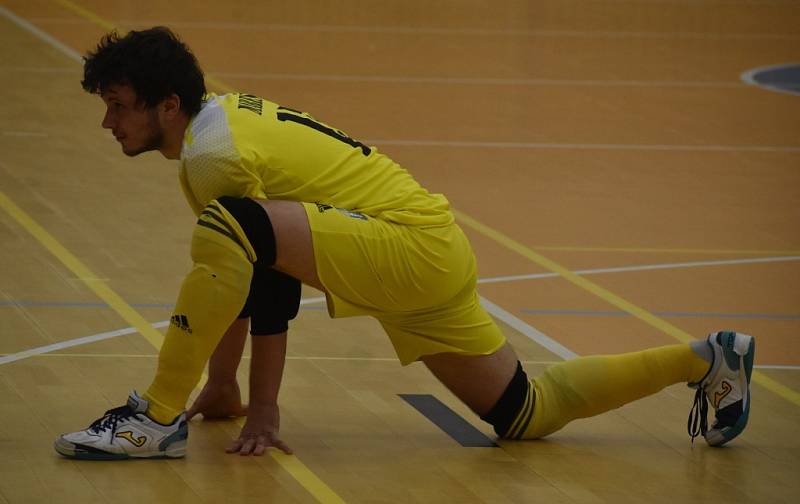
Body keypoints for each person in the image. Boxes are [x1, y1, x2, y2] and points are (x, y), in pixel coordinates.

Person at [54, 27, 755, 460]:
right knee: (524, 413)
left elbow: (265, 281)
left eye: (118, 105)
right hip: (424, 248)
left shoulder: (213, 160)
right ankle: (702, 358)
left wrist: (262, 407)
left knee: (231, 231)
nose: (108, 122)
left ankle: (155, 416)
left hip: (404, 247)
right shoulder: (219, 122)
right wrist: (227, 385)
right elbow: (245, 267)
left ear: (166, 106)